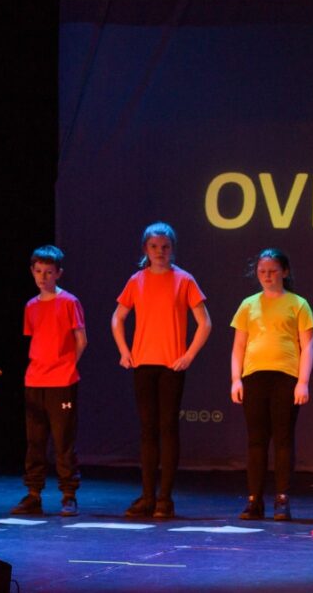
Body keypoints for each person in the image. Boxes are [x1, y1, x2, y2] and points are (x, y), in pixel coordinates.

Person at [112, 222, 212, 518]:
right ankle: (147, 496)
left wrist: (189, 356)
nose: (160, 252)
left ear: (172, 249)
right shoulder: (136, 280)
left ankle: (164, 499)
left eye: (165, 247)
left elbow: (205, 322)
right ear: (146, 249)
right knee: (147, 431)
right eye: (154, 247)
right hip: (143, 364)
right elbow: (117, 318)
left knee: (167, 429)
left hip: (171, 365)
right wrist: (124, 351)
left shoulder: (184, 280)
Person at [231, 248, 313, 522]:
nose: (267, 276)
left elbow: (308, 345)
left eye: (272, 271)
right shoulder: (248, 304)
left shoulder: (298, 304)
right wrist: (236, 379)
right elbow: (238, 347)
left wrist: (302, 382)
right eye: (262, 272)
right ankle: (254, 500)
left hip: (286, 378)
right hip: (254, 376)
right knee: (256, 441)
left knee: (283, 440)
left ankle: (282, 498)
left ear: (285, 272)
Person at [11, 245, 87, 518]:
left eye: (49, 272)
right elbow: (36, 339)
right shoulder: (30, 306)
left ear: (59, 274)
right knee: (35, 440)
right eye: (39, 271)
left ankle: (68, 494)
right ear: (32, 272)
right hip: (35, 381)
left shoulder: (69, 302)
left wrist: (66, 365)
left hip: (62, 381)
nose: (43, 277)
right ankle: (34, 494)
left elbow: (81, 340)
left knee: (63, 440)